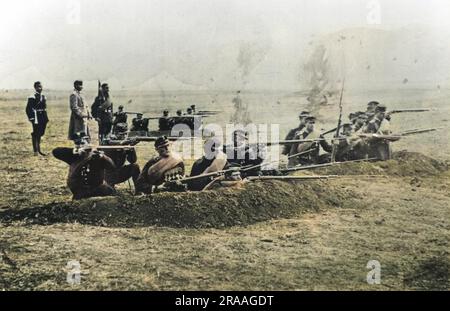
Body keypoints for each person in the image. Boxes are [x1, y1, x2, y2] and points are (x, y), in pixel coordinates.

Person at [26, 81, 49, 156]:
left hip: (43, 116)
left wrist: (46, 117)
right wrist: (31, 117)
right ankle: (36, 151)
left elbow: (44, 107)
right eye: (38, 87)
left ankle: (39, 150)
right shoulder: (32, 96)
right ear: (35, 88)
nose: (40, 88)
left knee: (41, 133)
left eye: (41, 86)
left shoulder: (43, 96)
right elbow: (28, 108)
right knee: (36, 133)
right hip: (36, 117)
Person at [68, 80, 91, 145]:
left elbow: (86, 105)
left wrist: (89, 113)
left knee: (84, 134)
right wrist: (82, 114)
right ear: (75, 85)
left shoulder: (82, 94)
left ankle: (84, 147)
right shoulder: (73, 94)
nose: (81, 86)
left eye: (81, 85)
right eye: (79, 85)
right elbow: (74, 107)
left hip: (84, 118)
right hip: (77, 118)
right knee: (78, 135)